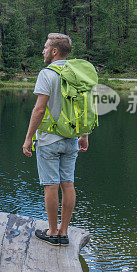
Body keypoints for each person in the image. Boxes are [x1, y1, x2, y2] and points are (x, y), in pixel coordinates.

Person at [21, 33, 89, 246]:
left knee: (51, 186)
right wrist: (84, 135)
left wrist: (28, 138)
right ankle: (64, 232)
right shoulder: (77, 74)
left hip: (50, 139)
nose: (43, 51)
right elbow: (84, 107)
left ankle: (52, 232)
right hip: (71, 138)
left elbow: (40, 109)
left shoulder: (47, 74)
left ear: (54, 51)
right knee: (68, 183)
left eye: (45, 47)